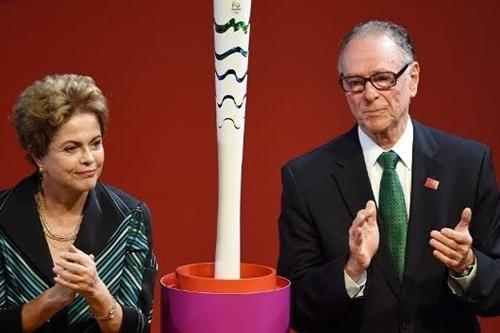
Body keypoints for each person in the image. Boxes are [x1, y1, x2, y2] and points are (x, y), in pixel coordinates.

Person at [277, 20, 500, 333]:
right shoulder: (306, 178)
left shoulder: (469, 164)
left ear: (413, 79)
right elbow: (295, 308)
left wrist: (467, 265)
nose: (368, 95)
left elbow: (496, 292)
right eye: (354, 82)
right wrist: (351, 270)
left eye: (382, 79)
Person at [0, 74, 158, 332]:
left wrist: (97, 292)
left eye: (95, 144)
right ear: (39, 155)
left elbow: (139, 326)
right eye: (71, 148)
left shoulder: (131, 218)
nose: (89, 159)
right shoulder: (4, 216)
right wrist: (53, 299)